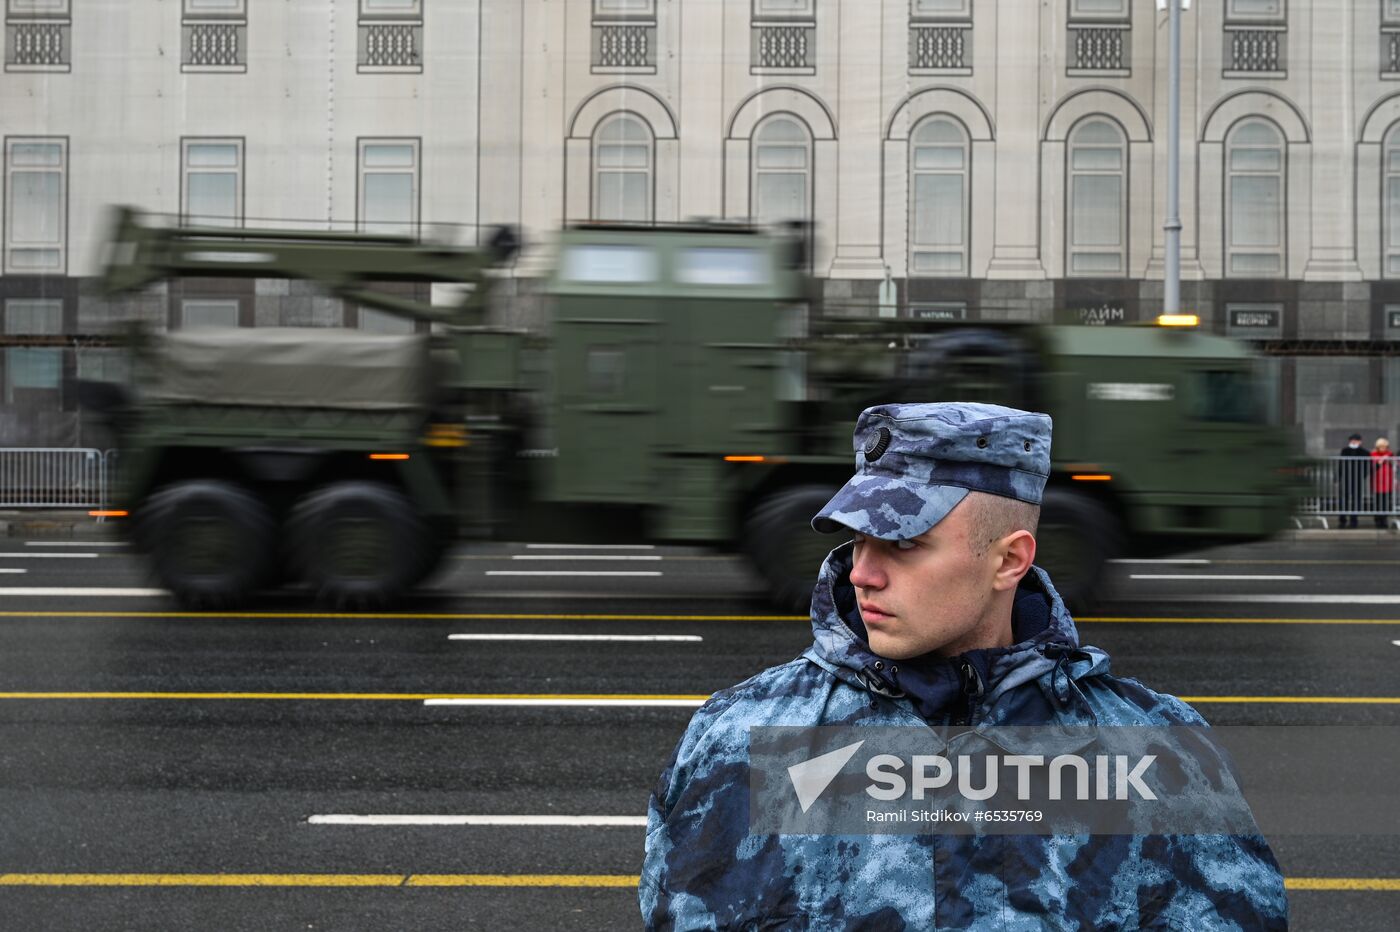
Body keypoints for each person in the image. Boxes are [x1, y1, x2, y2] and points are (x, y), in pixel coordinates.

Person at [640, 402, 1287, 930]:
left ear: (1009, 560)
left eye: (900, 543)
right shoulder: (737, 736)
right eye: (858, 538)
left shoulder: (1149, 747)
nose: (861, 572)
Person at [1338, 432, 1370, 529]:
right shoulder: (1345, 450)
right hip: (1346, 478)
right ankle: (1342, 520)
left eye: (1356, 440)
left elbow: (1367, 466)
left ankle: (1354, 520)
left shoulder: (1364, 452)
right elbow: (1340, 464)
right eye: (1352, 440)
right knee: (1344, 500)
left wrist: (1363, 476)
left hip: (1358, 479)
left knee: (1356, 500)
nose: (1354, 442)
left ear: (1360, 441)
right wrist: (1338, 477)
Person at [1373, 437, 1395, 530]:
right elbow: (1373, 466)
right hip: (1378, 482)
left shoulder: (1390, 454)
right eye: (1381, 447)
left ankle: (1384, 519)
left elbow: (1395, 464)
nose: (1383, 449)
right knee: (1378, 502)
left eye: (1385, 447)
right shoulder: (1373, 454)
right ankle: (1378, 520)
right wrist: (1381, 460)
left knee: (1386, 502)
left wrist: (1390, 460)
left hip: (1388, 482)